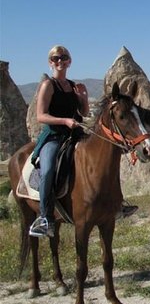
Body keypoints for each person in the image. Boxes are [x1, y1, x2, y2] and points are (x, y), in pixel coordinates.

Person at [29, 46, 137, 238]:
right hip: (54, 136)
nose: (60, 61)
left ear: (69, 61)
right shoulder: (48, 85)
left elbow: (84, 113)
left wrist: (83, 99)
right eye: (55, 58)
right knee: (47, 170)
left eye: (64, 57)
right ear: (50, 62)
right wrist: (64, 120)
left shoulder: (75, 86)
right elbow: (40, 116)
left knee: (107, 160)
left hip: (76, 134)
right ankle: (45, 218)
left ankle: (117, 203)